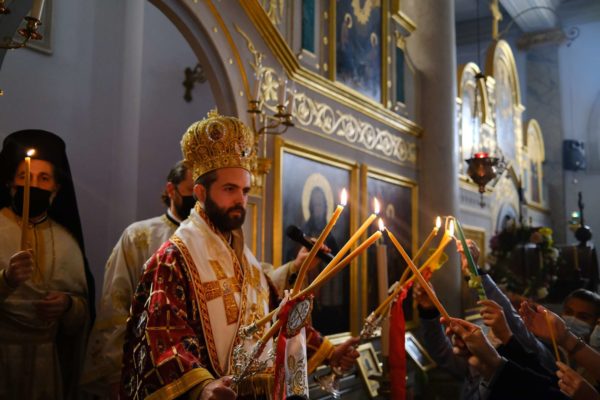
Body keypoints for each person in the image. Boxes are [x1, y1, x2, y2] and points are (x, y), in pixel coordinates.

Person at [119, 111, 359, 400]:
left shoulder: (246, 260)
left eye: (245, 191)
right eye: (229, 189)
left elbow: (273, 318)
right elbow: (163, 335)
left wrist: (329, 351)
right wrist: (202, 386)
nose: (240, 200)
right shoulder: (173, 258)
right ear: (200, 193)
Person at [81, 160, 195, 397]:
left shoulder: (214, 242)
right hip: (145, 363)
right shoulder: (138, 236)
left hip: (195, 367)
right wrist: (115, 371)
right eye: (190, 191)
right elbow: (115, 304)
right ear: (171, 190)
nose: (196, 199)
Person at [0, 129, 94, 399]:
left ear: (56, 189)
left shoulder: (66, 241)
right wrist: (6, 280)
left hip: (46, 365)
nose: (34, 185)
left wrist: (67, 305)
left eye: (43, 178)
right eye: (24, 177)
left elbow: (83, 310)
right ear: (10, 184)